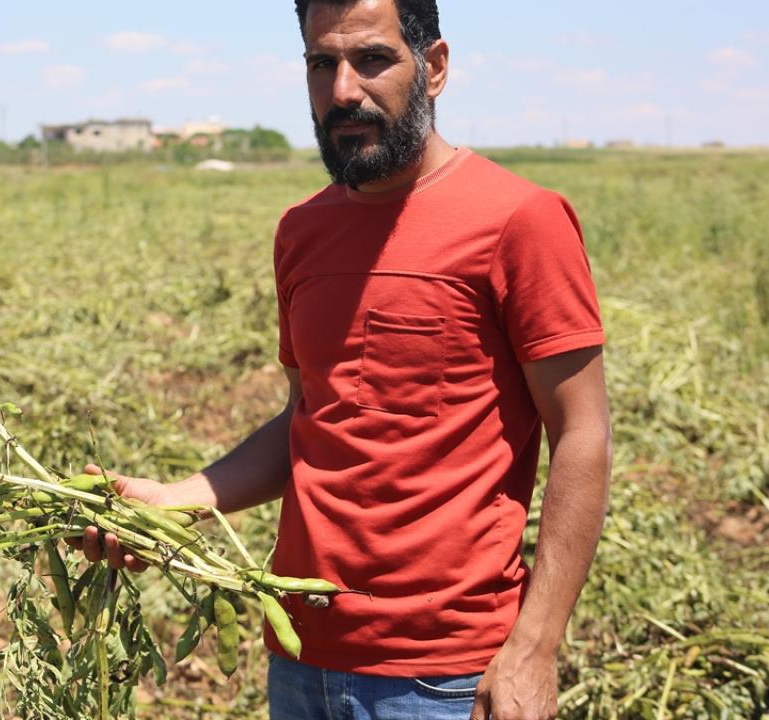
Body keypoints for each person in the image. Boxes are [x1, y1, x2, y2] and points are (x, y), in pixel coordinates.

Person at [75, 1, 612, 718]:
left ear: (436, 67)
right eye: (321, 64)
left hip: (446, 678)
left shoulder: (520, 220)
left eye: (372, 60)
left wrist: (536, 646)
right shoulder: (303, 230)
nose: (343, 91)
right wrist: (179, 498)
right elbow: (311, 416)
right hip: (302, 659)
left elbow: (582, 433)